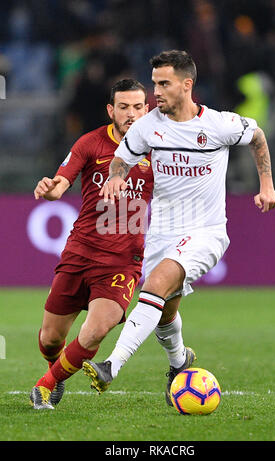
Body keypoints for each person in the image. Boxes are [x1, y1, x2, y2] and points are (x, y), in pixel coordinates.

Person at [82, 50, 275, 406]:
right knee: (164, 309)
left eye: (163, 84)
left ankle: (111, 364)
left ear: (187, 85)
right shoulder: (148, 126)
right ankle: (179, 362)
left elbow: (257, 136)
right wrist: (115, 178)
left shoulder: (218, 124)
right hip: (162, 231)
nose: (155, 92)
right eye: (154, 82)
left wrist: (266, 184)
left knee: (156, 285)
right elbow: (121, 159)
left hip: (206, 231)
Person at [30, 79, 154, 410]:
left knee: (97, 328)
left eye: (138, 106)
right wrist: (49, 188)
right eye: (124, 107)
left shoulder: (159, 149)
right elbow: (60, 184)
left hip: (123, 260)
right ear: (111, 110)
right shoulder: (91, 143)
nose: (132, 114)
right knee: (50, 339)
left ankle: (46, 385)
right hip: (81, 251)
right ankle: (55, 369)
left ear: (148, 108)